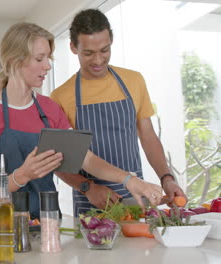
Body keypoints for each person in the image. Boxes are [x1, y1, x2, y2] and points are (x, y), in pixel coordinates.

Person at [0, 22, 163, 219]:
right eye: (39, 58)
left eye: (48, 57)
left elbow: (85, 158)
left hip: (48, 221)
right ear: (13, 61)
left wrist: (130, 181)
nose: (47, 65)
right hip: (5, 225)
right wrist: (24, 175)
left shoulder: (49, 108)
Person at [50, 9, 186, 216]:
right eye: (88, 53)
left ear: (111, 41)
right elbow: (59, 162)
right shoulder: (61, 96)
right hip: (92, 203)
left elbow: (148, 136)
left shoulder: (134, 81)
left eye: (104, 50)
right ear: (73, 47)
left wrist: (166, 178)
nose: (97, 60)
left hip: (136, 197)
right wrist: (88, 188)